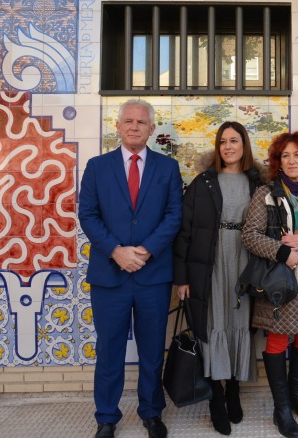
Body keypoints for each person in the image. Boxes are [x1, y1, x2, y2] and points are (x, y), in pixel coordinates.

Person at [78, 99, 183, 438]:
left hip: (152, 276)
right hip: (110, 275)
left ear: (152, 129)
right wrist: (116, 251)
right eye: (129, 120)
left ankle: (152, 412)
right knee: (109, 349)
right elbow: (88, 215)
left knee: (153, 350)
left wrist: (148, 250)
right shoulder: (97, 166)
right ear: (118, 126)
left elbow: (173, 216)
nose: (135, 126)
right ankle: (106, 417)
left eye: (142, 121)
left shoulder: (168, 168)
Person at [242, 131, 298, 438]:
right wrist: (284, 252)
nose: (292, 161)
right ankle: (281, 408)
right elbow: (251, 236)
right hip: (280, 278)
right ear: (277, 162)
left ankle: (296, 397)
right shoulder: (265, 193)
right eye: (285, 156)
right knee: (278, 339)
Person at [173, 121, 262, 435]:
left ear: (244, 145)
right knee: (212, 324)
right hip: (210, 262)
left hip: (245, 260)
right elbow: (185, 231)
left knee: (240, 321)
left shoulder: (257, 182)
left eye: (234, 141)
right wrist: (182, 277)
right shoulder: (203, 182)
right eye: (223, 141)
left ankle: (234, 388)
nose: (228, 147)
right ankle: (215, 396)